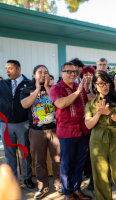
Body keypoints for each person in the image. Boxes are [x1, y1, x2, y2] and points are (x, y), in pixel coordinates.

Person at [84, 70, 116, 200]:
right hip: (97, 141)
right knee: (100, 176)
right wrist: (99, 113)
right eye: (100, 84)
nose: (104, 86)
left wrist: (109, 113)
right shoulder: (91, 104)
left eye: (106, 83)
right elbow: (89, 125)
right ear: (94, 85)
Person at [49, 62, 94, 200]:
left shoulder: (80, 86)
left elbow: (92, 103)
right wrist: (78, 92)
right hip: (67, 132)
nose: (73, 74)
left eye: (74, 71)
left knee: (79, 163)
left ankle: (76, 189)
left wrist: (87, 90)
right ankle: (67, 193)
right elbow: (61, 104)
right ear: (62, 73)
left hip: (83, 130)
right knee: (67, 163)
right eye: (68, 71)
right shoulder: (56, 88)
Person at [20, 65, 62, 198]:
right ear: (33, 75)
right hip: (36, 131)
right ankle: (42, 185)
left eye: (46, 72)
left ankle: (58, 183)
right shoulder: (27, 89)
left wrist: (49, 87)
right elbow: (25, 104)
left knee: (58, 159)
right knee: (39, 161)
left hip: (55, 129)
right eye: (40, 72)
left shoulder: (55, 88)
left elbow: (58, 104)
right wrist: (38, 89)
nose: (43, 74)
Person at [0, 60, 35, 189]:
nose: (7, 71)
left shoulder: (29, 84)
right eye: (6, 68)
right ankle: (12, 180)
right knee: (9, 154)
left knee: (25, 153)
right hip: (6, 124)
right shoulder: (2, 83)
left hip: (23, 124)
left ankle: (27, 178)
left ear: (18, 69)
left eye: (10, 68)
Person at [80, 65, 96, 191]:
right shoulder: (78, 88)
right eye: (85, 75)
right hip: (81, 124)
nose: (88, 77)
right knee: (84, 153)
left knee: (93, 154)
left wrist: (87, 90)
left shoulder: (97, 87)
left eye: (90, 74)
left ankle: (93, 179)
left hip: (95, 124)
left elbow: (94, 103)